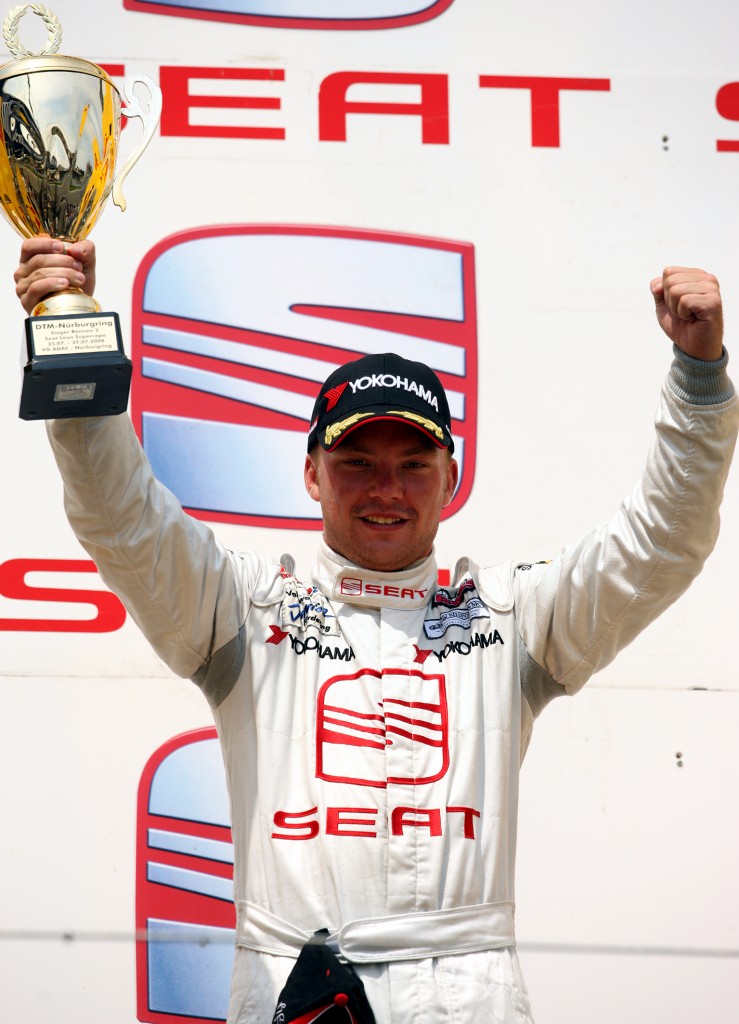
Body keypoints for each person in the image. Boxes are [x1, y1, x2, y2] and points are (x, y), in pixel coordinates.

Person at [13, 237, 738, 1024]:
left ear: (449, 478)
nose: (386, 489)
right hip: (292, 993)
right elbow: (120, 514)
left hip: (473, 1000)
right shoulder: (243, 611)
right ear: (311, 473)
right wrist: (68, 327)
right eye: (356, 461)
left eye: (414, 464)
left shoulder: (512, 621)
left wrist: (698, 377)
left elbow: (661, 542)